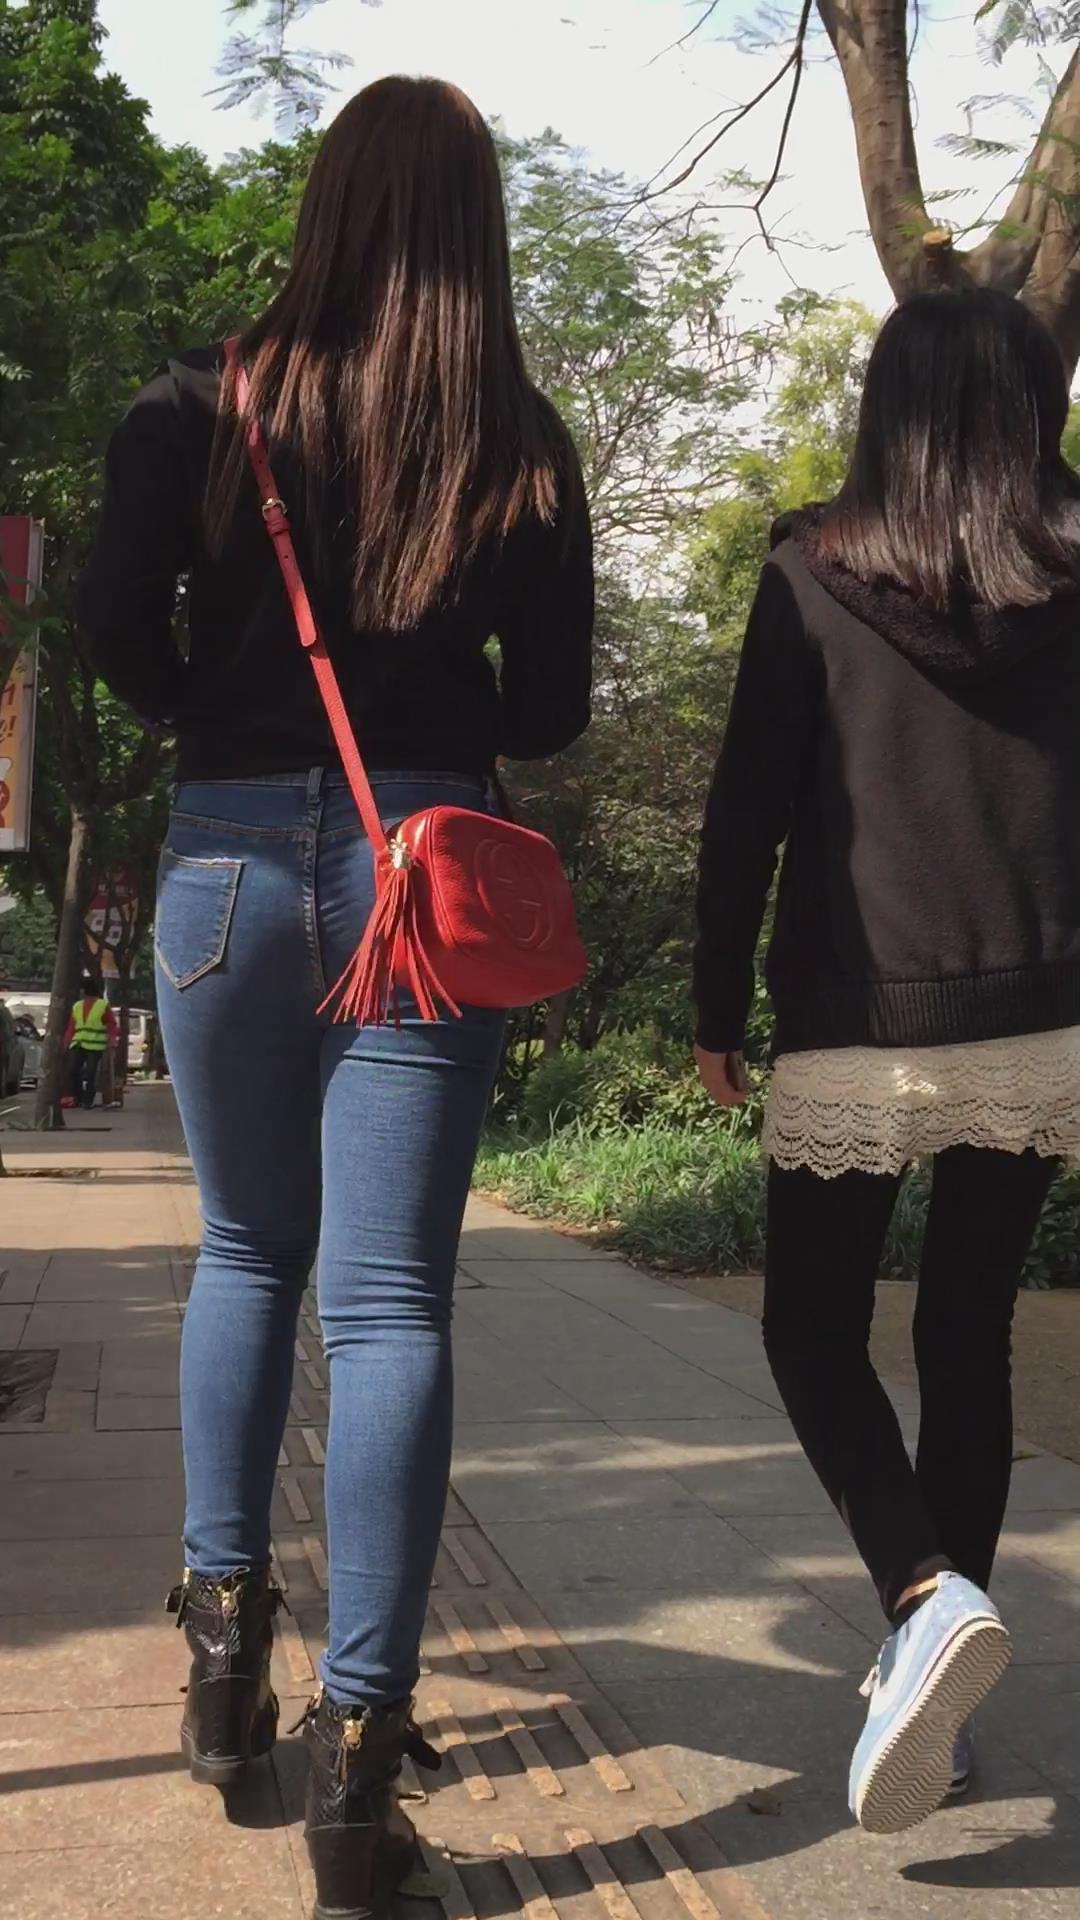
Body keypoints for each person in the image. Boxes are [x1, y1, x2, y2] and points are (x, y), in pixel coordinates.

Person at [78, 75, 592, 1916]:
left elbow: (115, 632)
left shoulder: (197, 401)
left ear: (328, 206)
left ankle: (225, 1657)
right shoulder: (516, 437)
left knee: (244, 1251)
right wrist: (432, 706)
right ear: (475, 229)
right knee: (387, 1306)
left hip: (226, 859)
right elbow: (554, 708)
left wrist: (225, 710)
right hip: (425, 871)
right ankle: (363, 1764)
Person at [692, 282, 1080, 1838]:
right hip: (1044, 1010)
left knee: (811, 1329)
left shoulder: (811, 573)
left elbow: (749, 806)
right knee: (968, 1333)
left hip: (863, 1010)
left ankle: (924, 1598)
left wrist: (714, 1004)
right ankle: (942, 1676)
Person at [64, 973, 117, 1110]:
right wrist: (67, 1041)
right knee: (72, 1070)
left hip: (95, 1045)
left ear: (84, 992)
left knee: (91, 1073)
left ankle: (87, 1100)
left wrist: (112, 1039)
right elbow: (72, 1026)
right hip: (78, 1043)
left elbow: (111, 1023)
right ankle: (78, 1097)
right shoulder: (77, 1006)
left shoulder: (102, 1005)